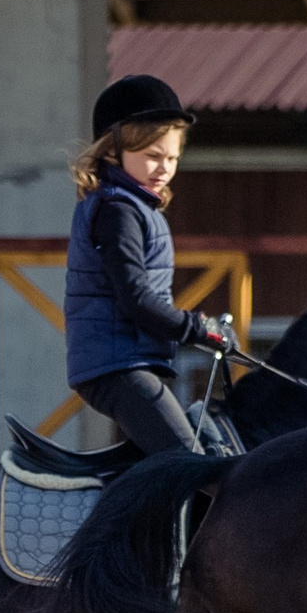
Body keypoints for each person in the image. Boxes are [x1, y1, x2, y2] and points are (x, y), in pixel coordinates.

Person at [65, 74, 239, 457]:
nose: (164, 168)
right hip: (117, 367)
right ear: (113, 152)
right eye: (152, 156)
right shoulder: (118, 212)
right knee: (190, 464)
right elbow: (136, 300)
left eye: (173, 158)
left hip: (136, 360)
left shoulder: (138, 207)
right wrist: (200, 330)